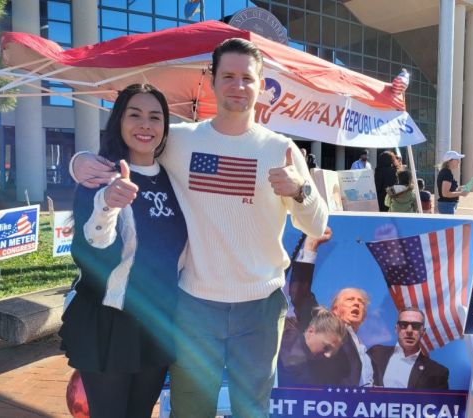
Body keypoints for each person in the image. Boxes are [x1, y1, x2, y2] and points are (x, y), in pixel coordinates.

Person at [70, 38, 329, 418]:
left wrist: (301, 190)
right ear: (211, 80)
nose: (237, 87)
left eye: (247, 78)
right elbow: (134, 147)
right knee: (191, 410)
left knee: (251, 410)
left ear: (262, 84)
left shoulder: (281, 150)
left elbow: (318, 223)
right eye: (228, 76)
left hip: (259, 307)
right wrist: (80, 163)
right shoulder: (181, 139)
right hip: (194, 305)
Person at [59, 84, 188, 418]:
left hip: (157, 321)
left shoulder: (174, 178)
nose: (145, 124)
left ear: (165, 128)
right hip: (110, 321)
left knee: (141, 413)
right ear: (118, 121)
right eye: (135, 115)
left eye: (155, 117)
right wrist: (107, 205)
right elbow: (92, 248)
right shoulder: (102, 177)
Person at [290, 227, 374, 387]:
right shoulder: (325, 328)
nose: (357, 303)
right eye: (350, 300)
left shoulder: (367, 350)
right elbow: (300, 297)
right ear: (334, 309)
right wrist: (311, 247)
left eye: (361, 302)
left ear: (364, 315)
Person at [367, 308, 449, 390]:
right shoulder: (376, 354)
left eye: (416, 326)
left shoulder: (437, 373)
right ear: (396, 329)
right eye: (403, 325)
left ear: (423, 332)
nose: (409, 331)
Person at [277, 306, 348, 387]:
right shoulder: (286, 347)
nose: (328, 355)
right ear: (311, 331)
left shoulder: (320, 365)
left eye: (333, 353)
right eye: (326, 347)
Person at [436, 150, 470, 214]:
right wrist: (461, 193)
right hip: (447, 206)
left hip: (447, 205)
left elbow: (449, 190)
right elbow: (445, 194)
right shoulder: (446, 173)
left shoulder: (446, 172)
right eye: (457, 159)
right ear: (450, 160)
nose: (459, 161)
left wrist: (459, 188)